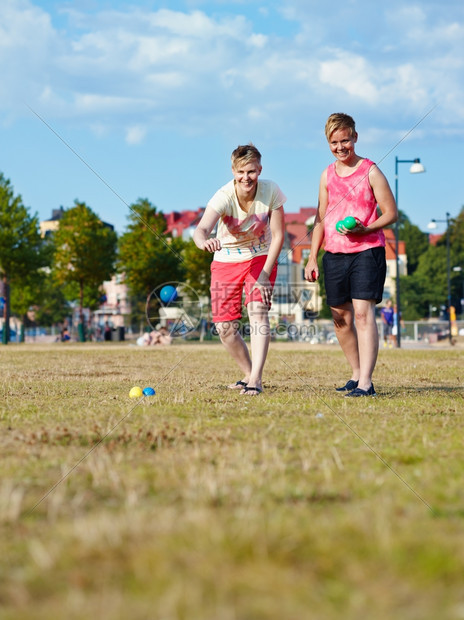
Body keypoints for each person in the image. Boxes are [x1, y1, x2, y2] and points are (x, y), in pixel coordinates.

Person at [304, 113, 397, 397]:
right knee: (340, 317)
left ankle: (367, 383)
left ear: (355, 137)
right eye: (334, 142)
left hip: (367, 252)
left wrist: (365, 228)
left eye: (345, 140)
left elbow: (391, 213)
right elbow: (321, 218)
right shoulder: (327, 175)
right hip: (334, 254)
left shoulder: (370, 171)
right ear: (328, 142)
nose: (341, 146)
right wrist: (311, 257)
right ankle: (356, 374)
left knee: (362, 313)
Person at [193, 143, 286, 395]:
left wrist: (265, 275)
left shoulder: (270, 191)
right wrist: (204, 242)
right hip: (226, 260)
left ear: (260, 169)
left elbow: (278, 236)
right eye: (241, 172)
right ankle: (247, 373)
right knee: (225, 329)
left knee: (257, 312)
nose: (247, 178)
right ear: (233, 171)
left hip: (260, 255)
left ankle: (256, 379)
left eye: (252, 172)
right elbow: (200, 230)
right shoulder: (223, 196)